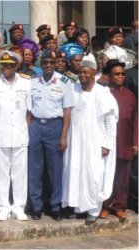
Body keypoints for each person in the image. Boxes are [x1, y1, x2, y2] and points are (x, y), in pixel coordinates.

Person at [62, 56, 118, 225]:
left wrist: (107, 144)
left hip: (95, 142)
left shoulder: (103, 93)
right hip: (76, 141)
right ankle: (79, 208)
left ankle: (94, 209)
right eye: (80, 72)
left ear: (94, 74)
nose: (82, 75)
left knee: (94, 174)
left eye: (86, 72)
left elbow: (110, 122)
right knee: (76, 172)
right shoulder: (73, 89)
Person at [29, 50, 74, 221]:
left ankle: (55, 206)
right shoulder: (33, 81)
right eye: (45, 62)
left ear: (56, 64)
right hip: (35, 126)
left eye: (51, 63)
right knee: (35, 169)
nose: (48, 65)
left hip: (55, 127)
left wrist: (64, 135)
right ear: (41, 63)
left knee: (55, 169)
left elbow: (67, 110)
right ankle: (36, 207)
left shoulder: (63, 82)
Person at [0, 51, 31, 221]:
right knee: (1, 174)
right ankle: (3, 207)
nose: (5, 68)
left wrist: (23, 128)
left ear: (16, 66)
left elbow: (29, 111)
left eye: (9, 65)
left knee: (20, 173)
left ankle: (19, 207)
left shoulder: (26, 84)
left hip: (20, 135)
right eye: (3, 65)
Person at [100, 59, 138, 222]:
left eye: (123, 74)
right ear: (109, 76)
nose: (121, 77)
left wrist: (135, 142)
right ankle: (105, 206)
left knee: (122, 175)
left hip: (125, 140)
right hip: (107, 142)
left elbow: (136, 119)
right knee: (106, 174)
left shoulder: (129, 94)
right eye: (117, 74)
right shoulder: (102, 94)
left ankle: (120, 206)